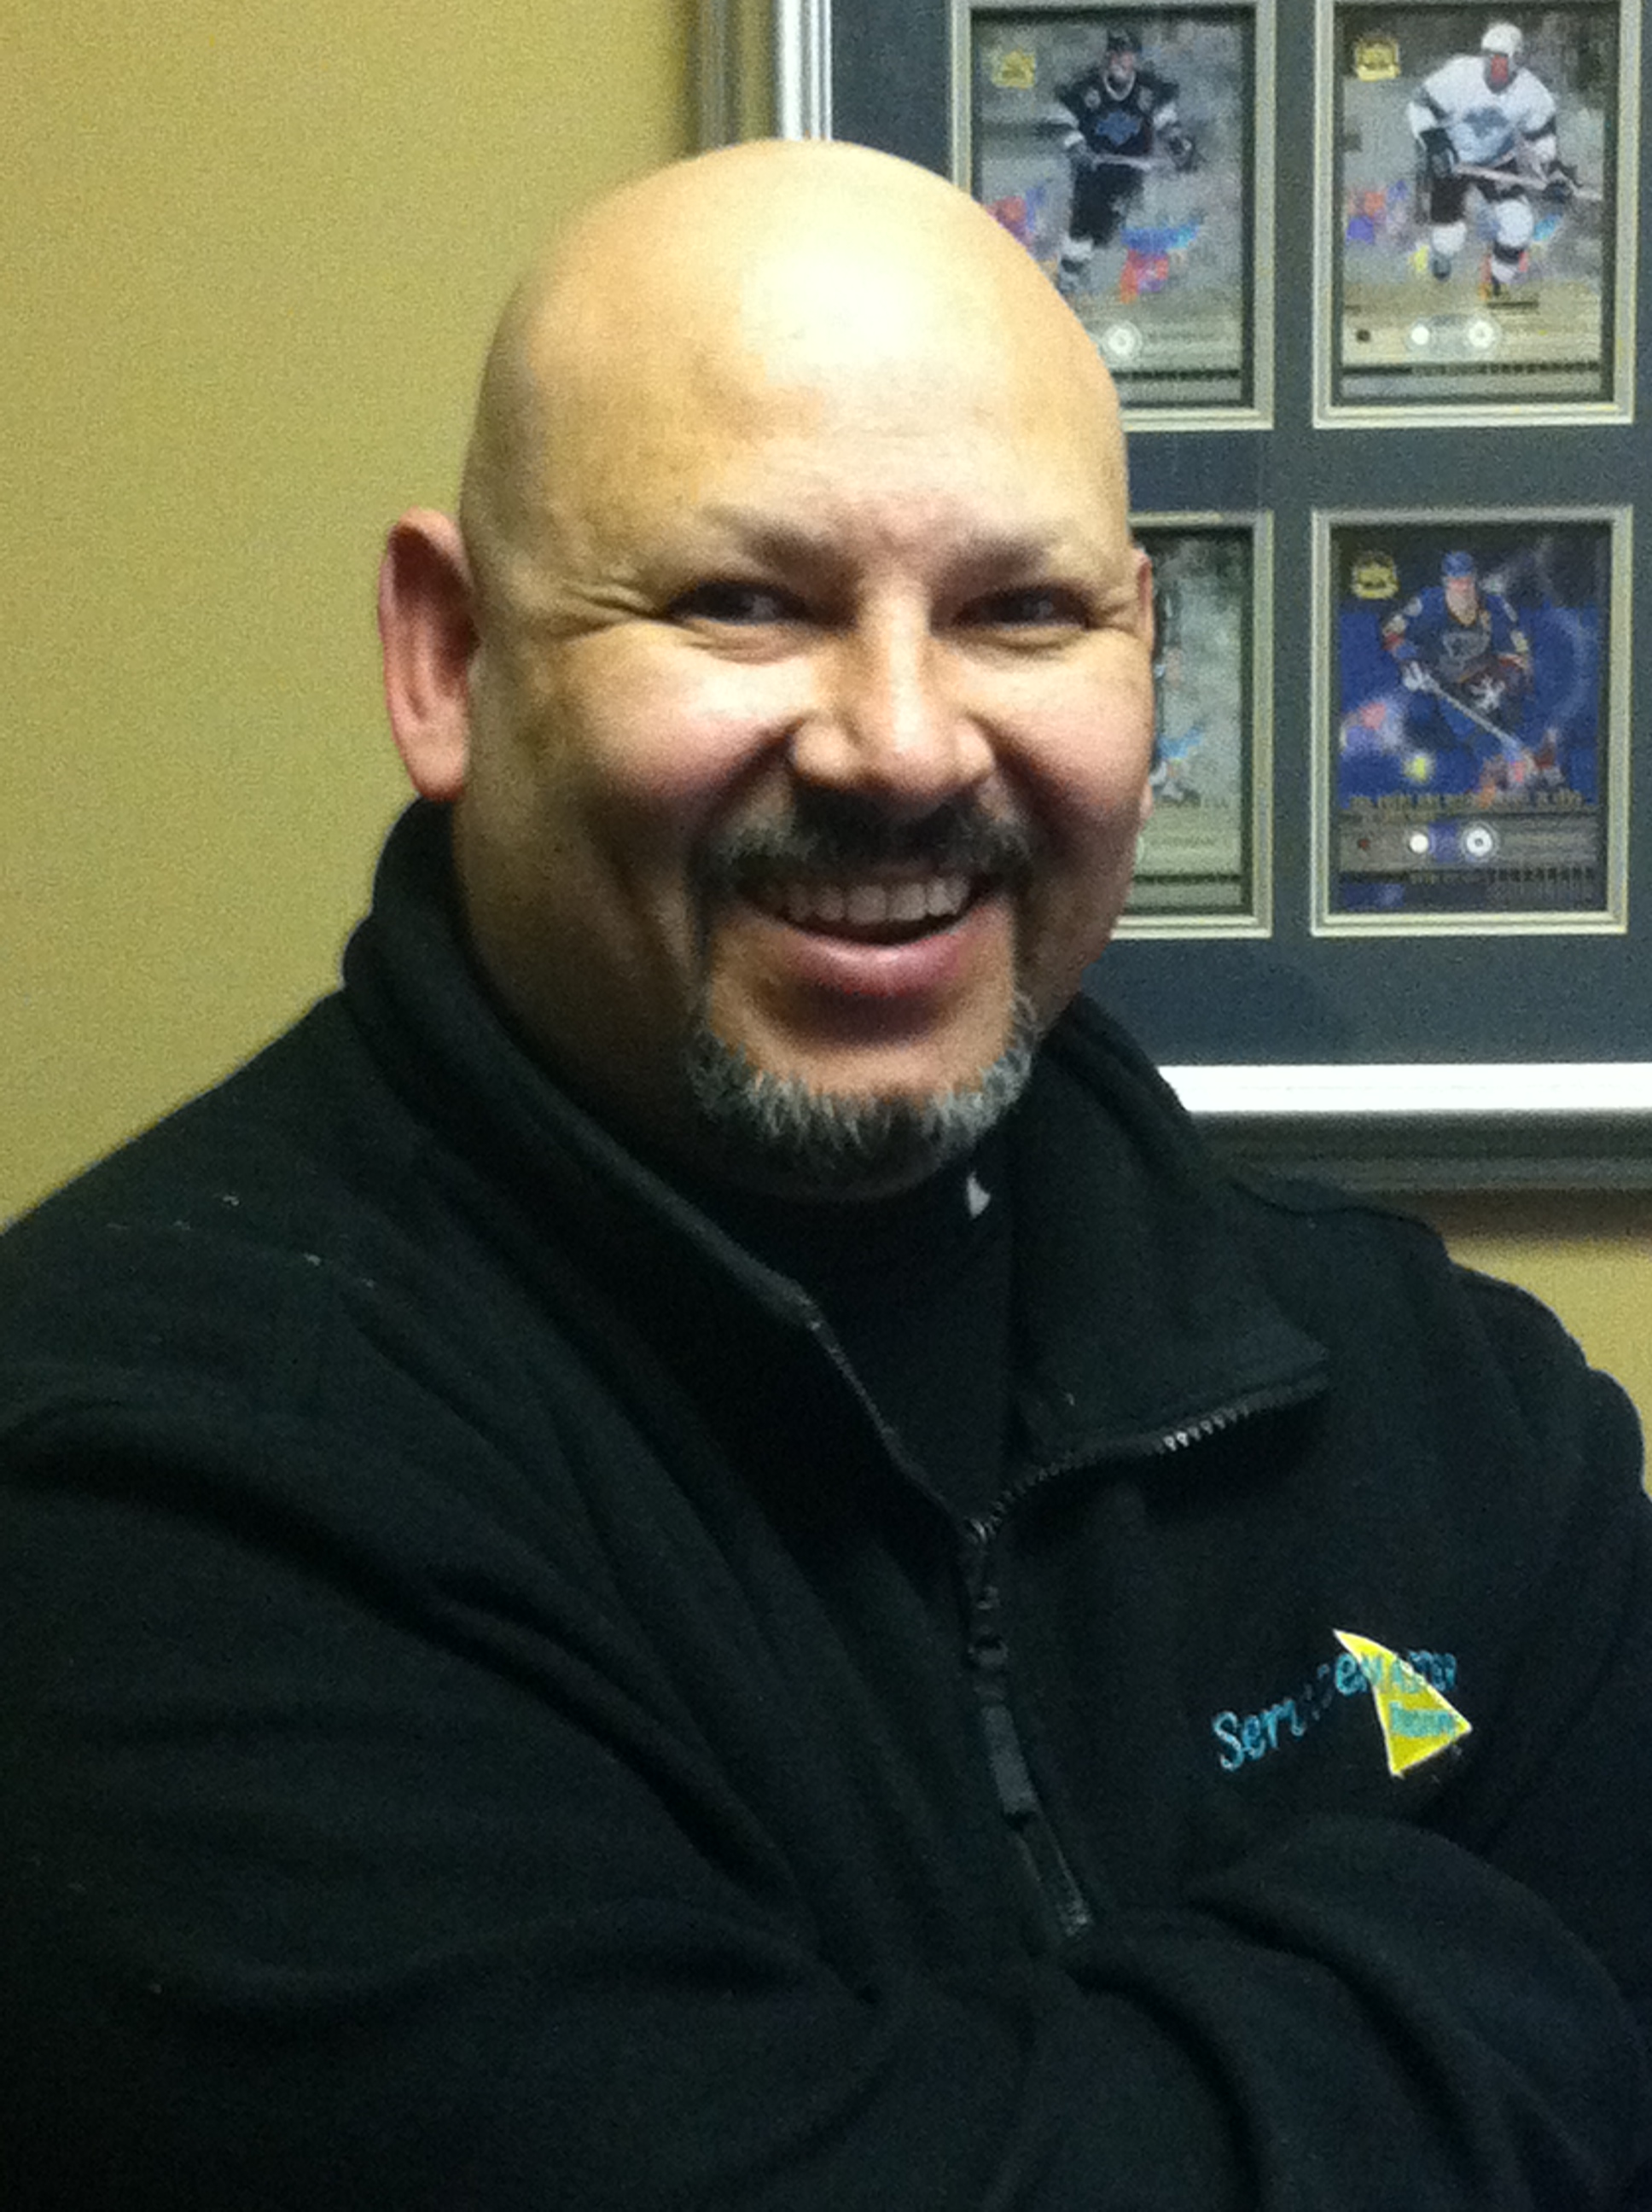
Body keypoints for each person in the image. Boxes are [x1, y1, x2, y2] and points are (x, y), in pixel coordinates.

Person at [2, 137, 1650, 2210]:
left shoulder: (1436, 1396)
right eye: (742, 603)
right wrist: (1486, 2009)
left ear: (1144, 653)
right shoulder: (149, 1481)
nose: (901, 743)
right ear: (448, 656)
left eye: (1019, 612)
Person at [1380, 548, 1558, 795]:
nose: (1462, 589)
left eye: (1467, 581)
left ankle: (1545, 767)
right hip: (1445, 684)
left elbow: (1517, 652)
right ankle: (1499, 783)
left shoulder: (1495, 606)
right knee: (1480, 740)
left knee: (1528, 718)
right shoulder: (1428, 604)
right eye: (1456, 582)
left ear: (1474, 580)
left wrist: (1506, 680)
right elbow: (1391, 632)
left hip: (1489, 677)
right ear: (1446, 582)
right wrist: (1409, 660)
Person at [1407, 20, 1565, 294]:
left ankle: (1498, 281)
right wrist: (1434, 141)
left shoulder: (1532, 92)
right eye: (1490, 58)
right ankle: (1442, 254)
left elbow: (1541, 139)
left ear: (1517, 60)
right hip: (1452, 160)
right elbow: (1420, 106)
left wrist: (1552, 172)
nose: (1496, 68)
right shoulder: (1458, 75)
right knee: (1449, 236)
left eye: (1503, 60)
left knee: (1519, 222)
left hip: (1497, 160)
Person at [1050, 27, 1196, 300]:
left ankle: (1150, 283)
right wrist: (1076, 145)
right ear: (1107, 56)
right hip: (1094, 172)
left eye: (1126, 55)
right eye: (1115, 54)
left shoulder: (1148, 89)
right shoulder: (1088, 88)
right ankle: (1067, 283)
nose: (1119, 61)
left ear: (1135, 58)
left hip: (1134, 172)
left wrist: (1178, 144)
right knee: (1086, 224)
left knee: (1127, 226)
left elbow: (1166, 121)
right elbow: (1061, 118)